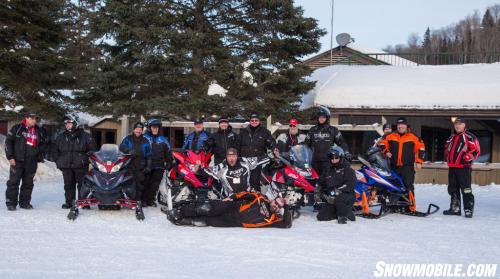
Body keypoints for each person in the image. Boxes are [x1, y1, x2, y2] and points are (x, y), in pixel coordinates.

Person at [166, 191, 292, 228]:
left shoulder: (274, 219)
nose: (276, 205)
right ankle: (179, 211)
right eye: (276, 202)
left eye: (279, 206)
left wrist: (286, 206)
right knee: (208, 209)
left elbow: (287, 224)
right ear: (273, 200)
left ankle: (182, 221)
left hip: (235, 223)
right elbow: (244, 194)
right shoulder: (261, 198)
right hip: (232, 208)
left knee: (208, 222)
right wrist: (230, 198)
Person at [51, 114, 97, 209]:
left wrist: (85, 158)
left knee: (82, 185)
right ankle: (69, 202)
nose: (67, 125)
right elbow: (54, 150)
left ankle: (83, 203)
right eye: (66, 123)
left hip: (81, 165)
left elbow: (93, 149)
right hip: (66, 165)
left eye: (69, 123)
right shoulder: (61, 137)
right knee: (68, 185)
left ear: (75, 123)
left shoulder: (85, 136)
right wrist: (58, 160)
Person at [5, 112, 48, 210]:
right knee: (13, 182)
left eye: (35, 118)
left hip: (31, 161)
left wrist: (38, 151)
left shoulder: (38, 130)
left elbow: (44, 143)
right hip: (17, 160)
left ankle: (25, 203)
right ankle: (11, 203)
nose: (34, 120)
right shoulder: (17, 128)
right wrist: (10, 157)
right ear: (26, 118)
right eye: (32, 118)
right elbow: (8, 142)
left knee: (28, 183)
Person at [443, 117, 480, 218]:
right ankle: (455, 209)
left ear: (464, 125)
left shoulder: (469, 137)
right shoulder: (451, 137)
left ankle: (468, 209)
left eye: (460, 124)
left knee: (466, 189)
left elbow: (476, 150)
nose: (457, 126)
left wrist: (467, 157)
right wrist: (447, 157)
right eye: (456, 124)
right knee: (453, 189)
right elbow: (447, 149)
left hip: (463, 167)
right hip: (452, 167)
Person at [379, 117, 425, 195]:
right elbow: (382, 143)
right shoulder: (391, 135)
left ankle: (409, 206)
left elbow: (421, 148)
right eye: (398, 125)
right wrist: (386, 151)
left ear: (406, 125)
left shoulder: (413, 137)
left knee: (408, 186)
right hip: (393, 167)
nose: (400, 127)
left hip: (407, 167)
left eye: (402, 124)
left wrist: (419, 161)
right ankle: (393, 206)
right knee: (393, 186)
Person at [204, 148, 270, 198]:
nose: (231, 159)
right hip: (230, 198)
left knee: (265, 199)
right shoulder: (221, 167)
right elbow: (206, 171)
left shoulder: (245, 162)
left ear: (237, 156)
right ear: (226, 157)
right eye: (229, 156)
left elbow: (259, 159)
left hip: (248, 193)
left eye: (233, 156)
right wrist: (197, 169)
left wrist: (271, 157)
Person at [315, 146, 356, 224]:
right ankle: (345, 213)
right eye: (332, 158)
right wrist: (317, 190)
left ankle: (342, 216)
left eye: (336, 157)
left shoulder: (347, 169)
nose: (334, 160)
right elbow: (320, 181)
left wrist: (337, 191)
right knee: (321, 217)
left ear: (341, 157)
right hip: (332, 197)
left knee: (339, 199)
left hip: (346, 195)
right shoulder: (328, 170)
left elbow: (351, 184)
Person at [305, 106, 351, 176]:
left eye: (323, 117)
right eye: (319, 117)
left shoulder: (333, 130)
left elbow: (341, 143)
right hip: (314, 161)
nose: (321, 119)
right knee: (314, 181)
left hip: (328, 161)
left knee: (327, 181)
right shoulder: (312, 130)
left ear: (327, 118)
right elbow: (306, 144)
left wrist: (346, 152)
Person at [238, 112, 276, 190]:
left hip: (258, 161)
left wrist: (274, 149)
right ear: (250, 121)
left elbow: (271, 142)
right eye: (252, 120)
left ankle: (256, 198)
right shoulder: (243, 132)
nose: (254, 122)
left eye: (256, 120)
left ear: (259, 121)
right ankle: (244, 198)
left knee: (255, 181)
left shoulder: (265, 132)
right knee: (244, 181)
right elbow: (237, 145)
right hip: (245, 161)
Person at [119, 122, 152, 202]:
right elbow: (121, 147)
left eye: (140, 129)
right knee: (127, 183)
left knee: (139, 185)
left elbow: (149, 155)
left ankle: (137, 202)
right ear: (134, 130)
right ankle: (125, 200)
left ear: (142, 131)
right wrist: (128, 150)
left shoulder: (146, 141)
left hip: (140, 166)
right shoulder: (127, 138)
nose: (138, 131)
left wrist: (148, 166)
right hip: (128, 165)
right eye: (137, 129)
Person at [143, 119, 172, 207]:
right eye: (153, 127)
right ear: (149, 128)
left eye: (157, 128)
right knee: (145, 182)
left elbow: (168, 151)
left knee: (155, 184)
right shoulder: (144, 138)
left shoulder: (163, 139)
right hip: (146, 164)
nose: (155, 129)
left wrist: (170, 161)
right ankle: (143, 200)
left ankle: (150, 200)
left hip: (159, 165)